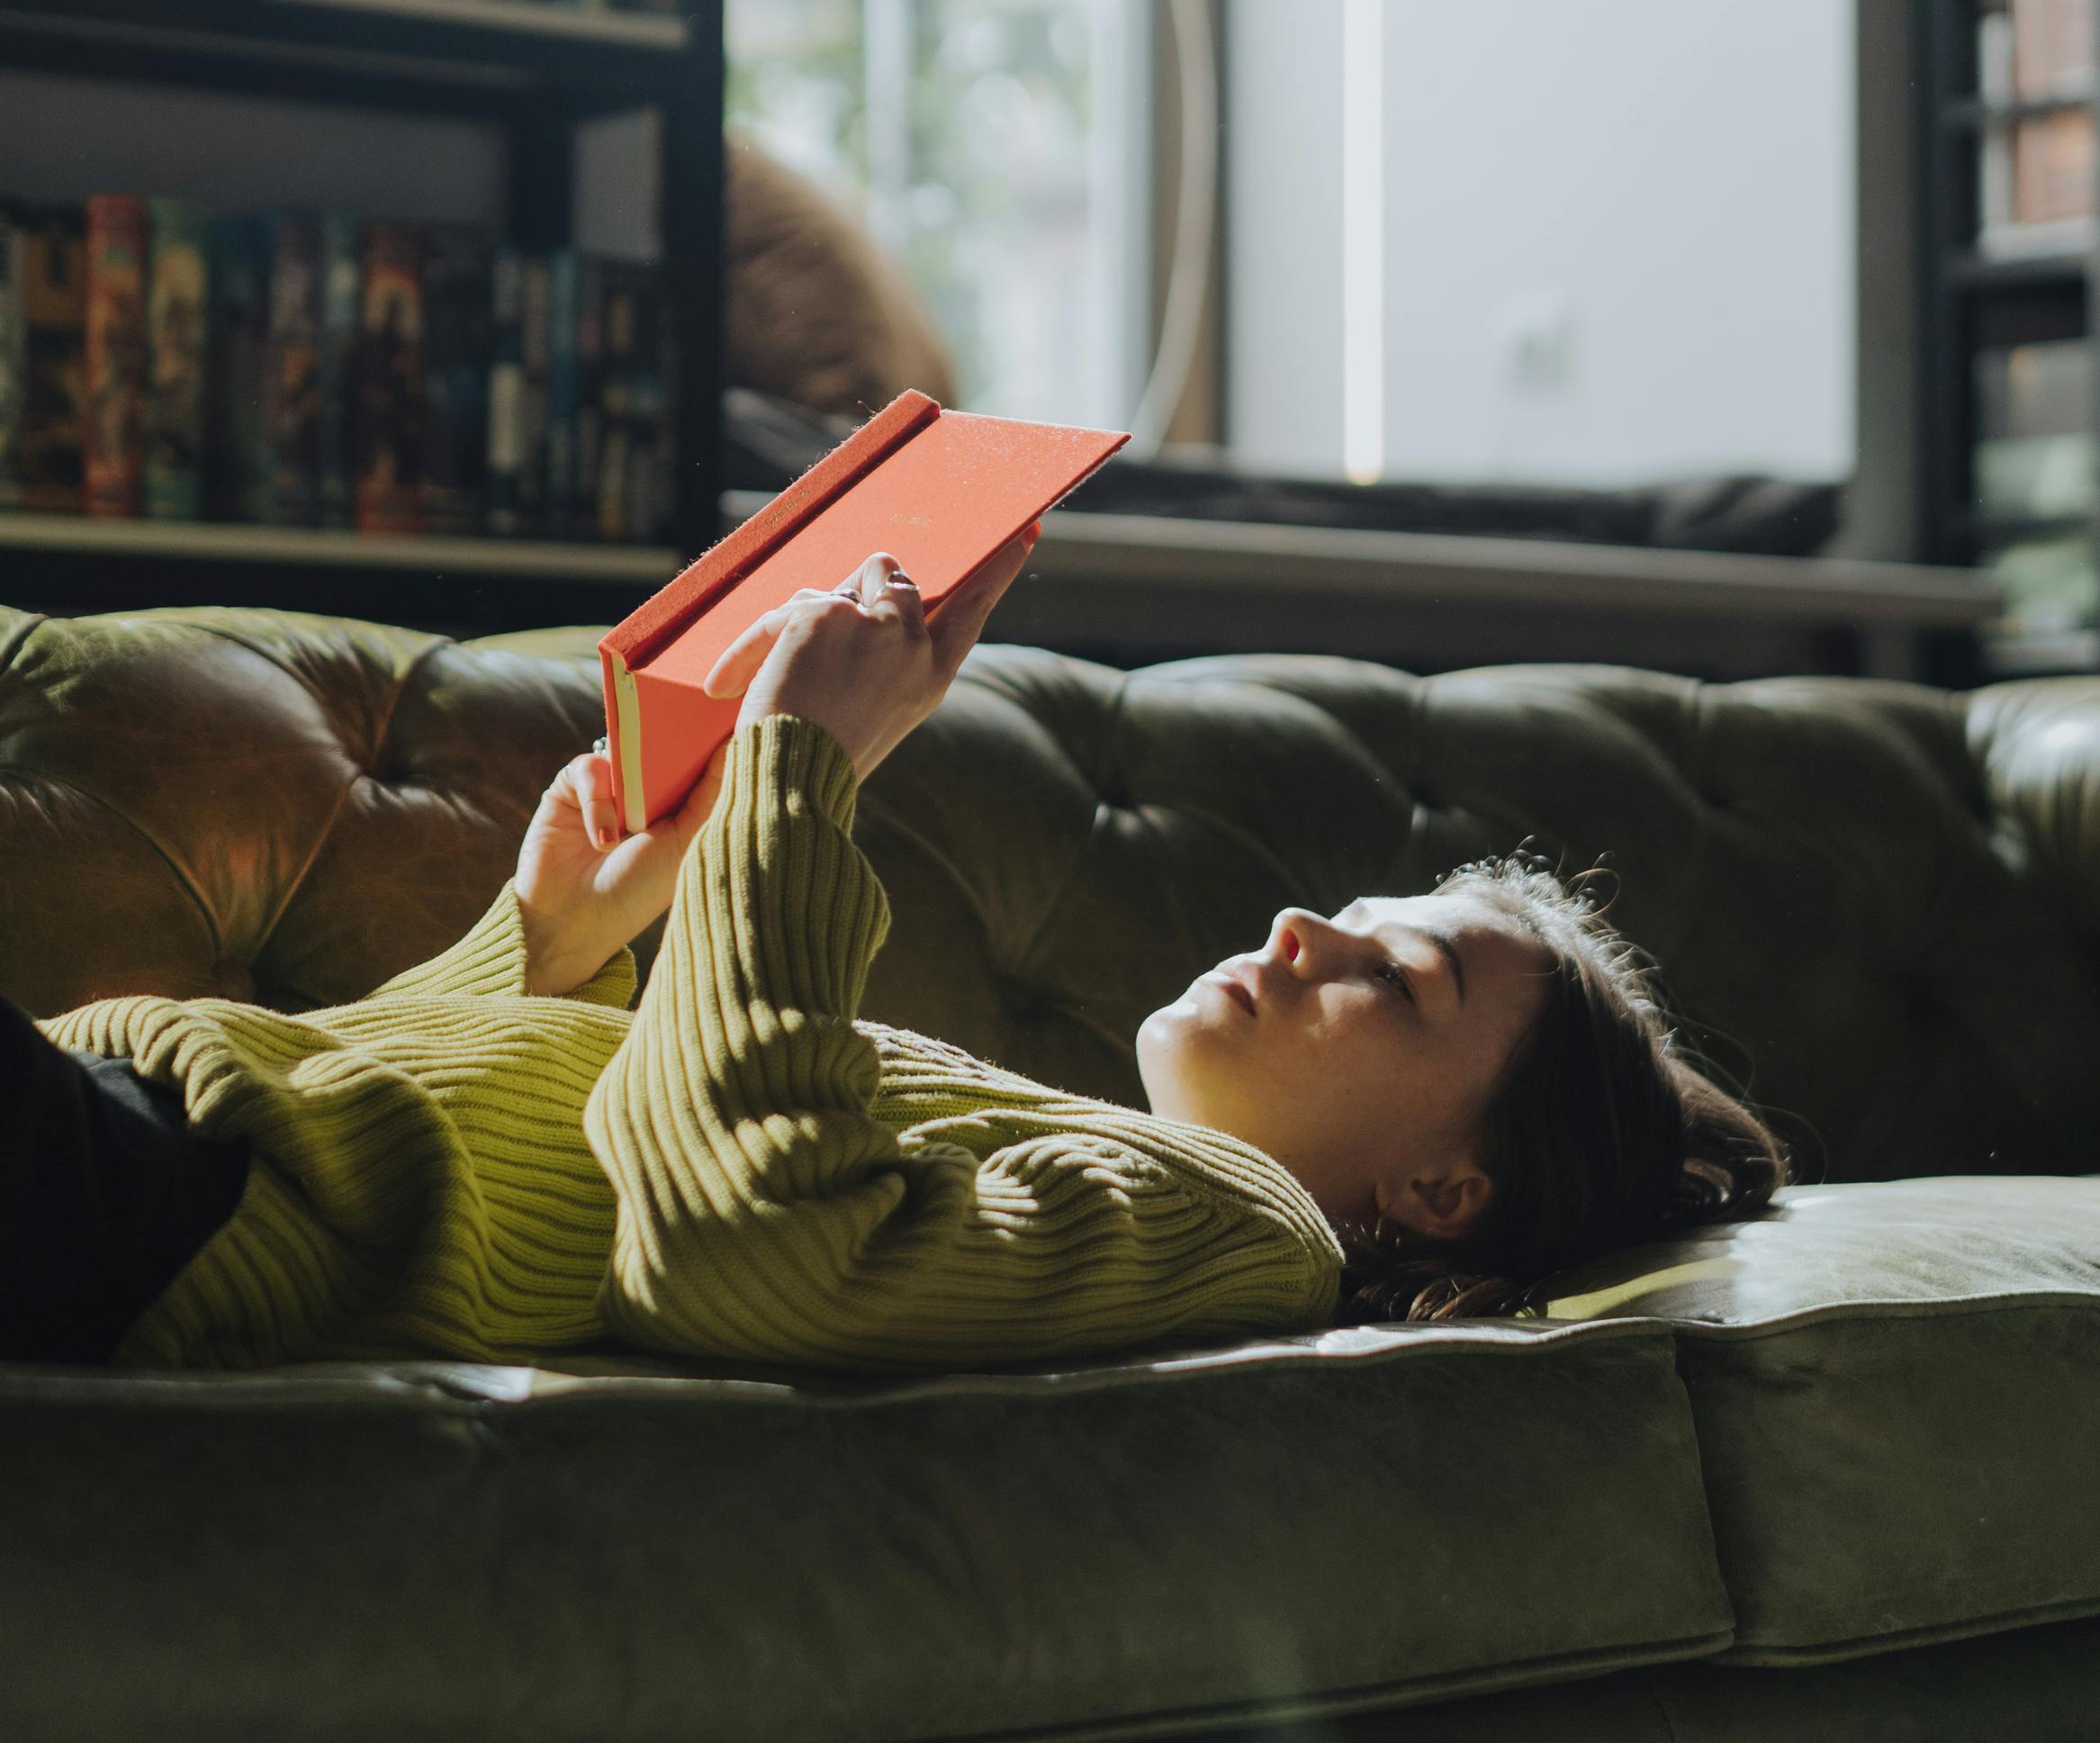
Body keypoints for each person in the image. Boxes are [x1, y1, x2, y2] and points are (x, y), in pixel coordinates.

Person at [0, 537, 1785, 1371]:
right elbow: (446, 1121)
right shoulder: (1078, 1148)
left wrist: (802, 769)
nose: (1302, 925)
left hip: (140, 1198)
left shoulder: (1244, 1230)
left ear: (1446, 1192)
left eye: (1392, 981)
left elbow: (751, 1253)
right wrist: (559, 936)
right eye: (1352, 917)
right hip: (128, 1128)